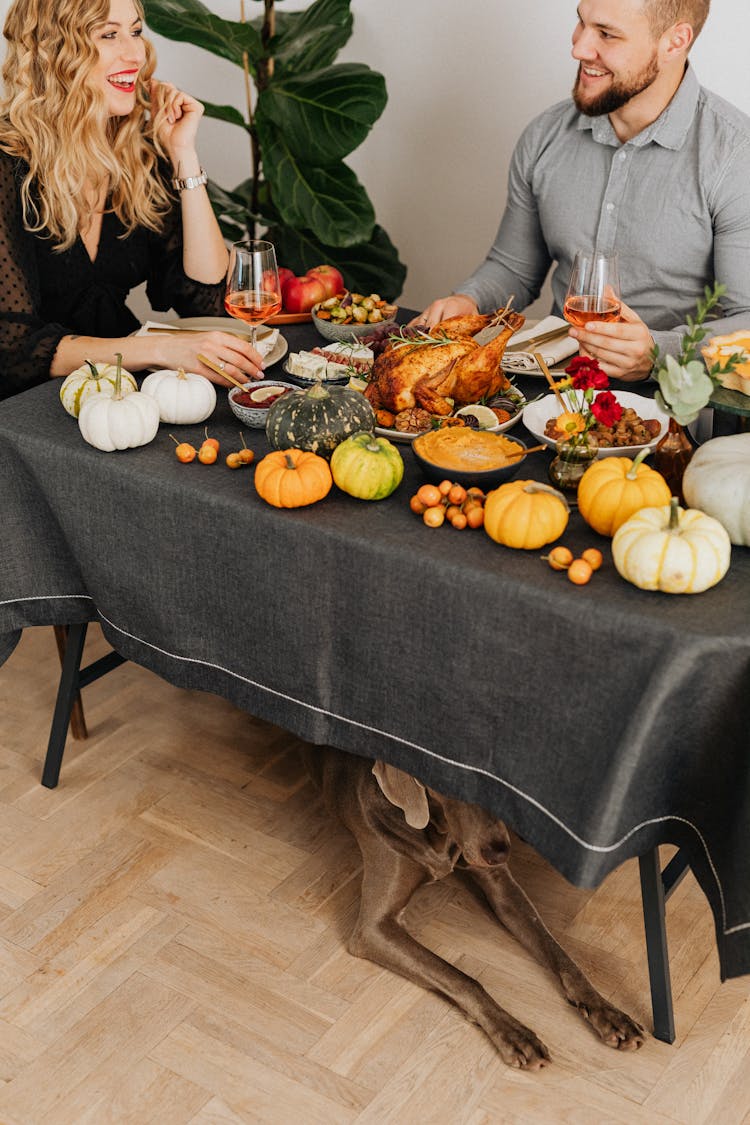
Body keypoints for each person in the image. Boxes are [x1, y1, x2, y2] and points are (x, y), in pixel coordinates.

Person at [417, 0, 750, 382]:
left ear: (674, 42)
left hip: (674, 409)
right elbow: (514, 268)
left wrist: (658, 353)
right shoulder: (545, 135)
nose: (578, 48)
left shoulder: (737, 157)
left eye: (607, 34)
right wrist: (469, 300)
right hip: (554, 392)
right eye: (581, 23)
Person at [0, 0, 265, 400]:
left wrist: (183, 157)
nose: (136, 53)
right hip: (26, 414)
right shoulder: (6, 163)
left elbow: (209, 301)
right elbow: (12, 349)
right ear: (54, 51)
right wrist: (159, 349)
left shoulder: (136, 153)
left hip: (118, 393)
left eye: (136, 31)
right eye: (109, 34)